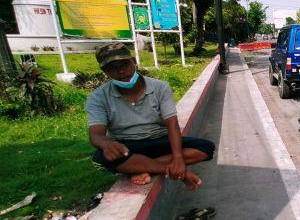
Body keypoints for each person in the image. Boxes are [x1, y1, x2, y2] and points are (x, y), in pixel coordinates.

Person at [86, 42, 215, 189]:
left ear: (134, 62)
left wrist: (178, 159)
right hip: (127, 146)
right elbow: (95, 134)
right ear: (105, 71)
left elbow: (172, 124)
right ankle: (157, 167)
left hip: (159, 140)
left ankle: (139, 167)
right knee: (101, 157)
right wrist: (106, 143)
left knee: (205, 148)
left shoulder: (159, 87)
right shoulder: (98, 97)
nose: (121, 71)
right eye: (112, 68)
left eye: (125, 64)